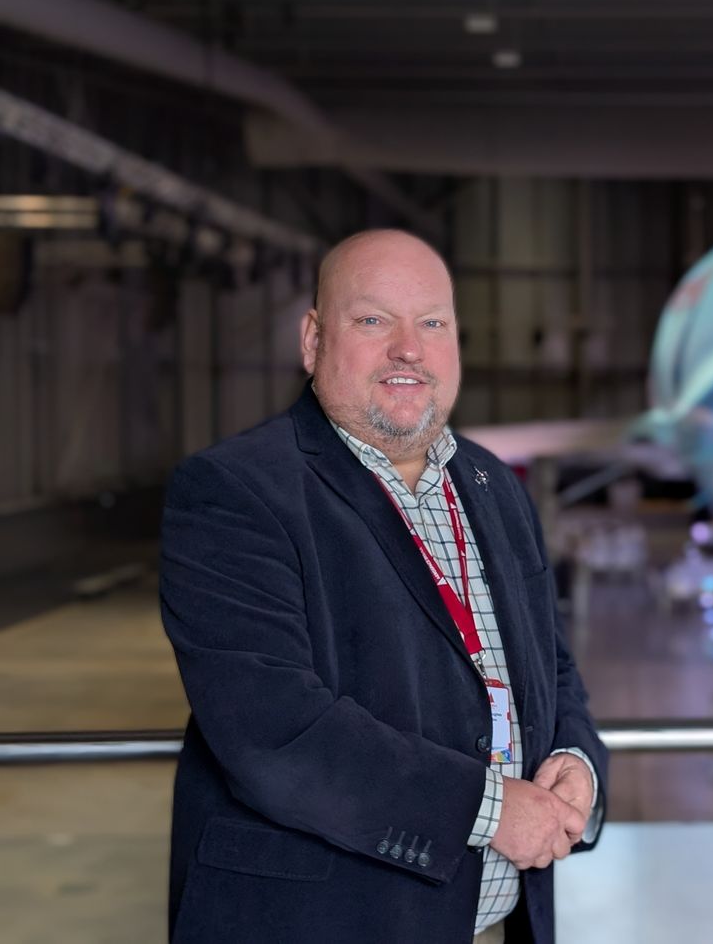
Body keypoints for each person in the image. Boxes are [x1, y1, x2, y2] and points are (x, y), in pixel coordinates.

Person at [160, 229, 607, 944]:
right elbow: (276, 730)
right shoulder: (237, 491)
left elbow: (551, 666)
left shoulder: (493, 485)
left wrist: (577, 762)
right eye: (373, 320)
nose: (409, 348)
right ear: (313, 340)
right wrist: (491, 809)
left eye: (432, 322)